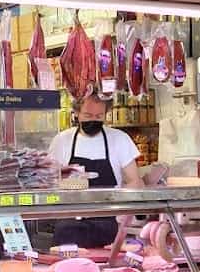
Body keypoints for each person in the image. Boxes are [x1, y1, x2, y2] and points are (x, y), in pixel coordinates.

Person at [48, 87, 142, 250]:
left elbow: (135, 181)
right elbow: (48, 181)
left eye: (99, 116)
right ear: (76, 113)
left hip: (108, 226)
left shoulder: (120, 139)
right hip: (69, 225)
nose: (93, 120)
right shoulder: (62, 141)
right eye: (88, 115)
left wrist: (121, 213)